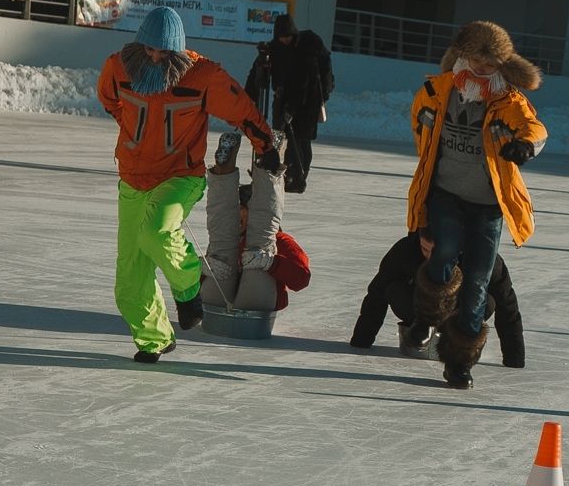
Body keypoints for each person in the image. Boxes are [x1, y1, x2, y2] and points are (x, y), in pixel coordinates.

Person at [96, 5, 278, 363]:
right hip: (133, 179)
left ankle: (189, 287)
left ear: (176, 49)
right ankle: (155, 339)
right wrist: (132, 134)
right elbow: (109, 100)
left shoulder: (201, 75)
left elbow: (241, 109)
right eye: (149, 48)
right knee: (129, 284)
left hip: (180, 177)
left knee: (158, 232)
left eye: (163, 52)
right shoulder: (119, 66)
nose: (154, 56)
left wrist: (266, 145)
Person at [402, 20, 546, 389]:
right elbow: (420, 128)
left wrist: (524, 146)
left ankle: (459, 362)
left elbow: (534, 127)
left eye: (491, 65)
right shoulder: (437, 89)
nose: (482, 71)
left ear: (502, 66)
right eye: (476, 61)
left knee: (479, 282)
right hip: (446, 195)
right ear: (463, 56)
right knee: (444, 252)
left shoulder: (507, 100)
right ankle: (424, 316)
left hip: (487, 206)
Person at [348, 230, 525, 366]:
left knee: (488, 300)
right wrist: (361, 340)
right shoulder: (405, 249)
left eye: (437, 251)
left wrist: (514, 357)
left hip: (462, 313)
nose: (430, 257)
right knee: (393, 288)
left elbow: (506, 303)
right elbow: (377, 292)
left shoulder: (482, 256)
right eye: (425, 249)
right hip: (417, 312)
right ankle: (422, 329)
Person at [200, 130, 311, 312]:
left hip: (220, 307)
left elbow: (301, 277)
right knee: (249, 244)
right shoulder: (270, 239)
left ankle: (227, 170)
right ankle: (268, 163)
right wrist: (202, 268)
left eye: (243, 212)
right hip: (248, 306)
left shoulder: (281, 241)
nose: (237, 218)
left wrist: (271, 263)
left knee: (229, 245)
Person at [245, 13, 334, 193]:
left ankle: (298, 176)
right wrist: (249, 98)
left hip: (308, 101)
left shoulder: (307, 47)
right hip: (283, 99)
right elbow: (256, 74)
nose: (285, 40)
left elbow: (307, 82)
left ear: (293, 34)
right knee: (279, 136)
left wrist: (321, 96)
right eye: (281, 37)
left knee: (301, 139)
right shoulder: (275, 48)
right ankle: (281, 173)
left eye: (287, 36)